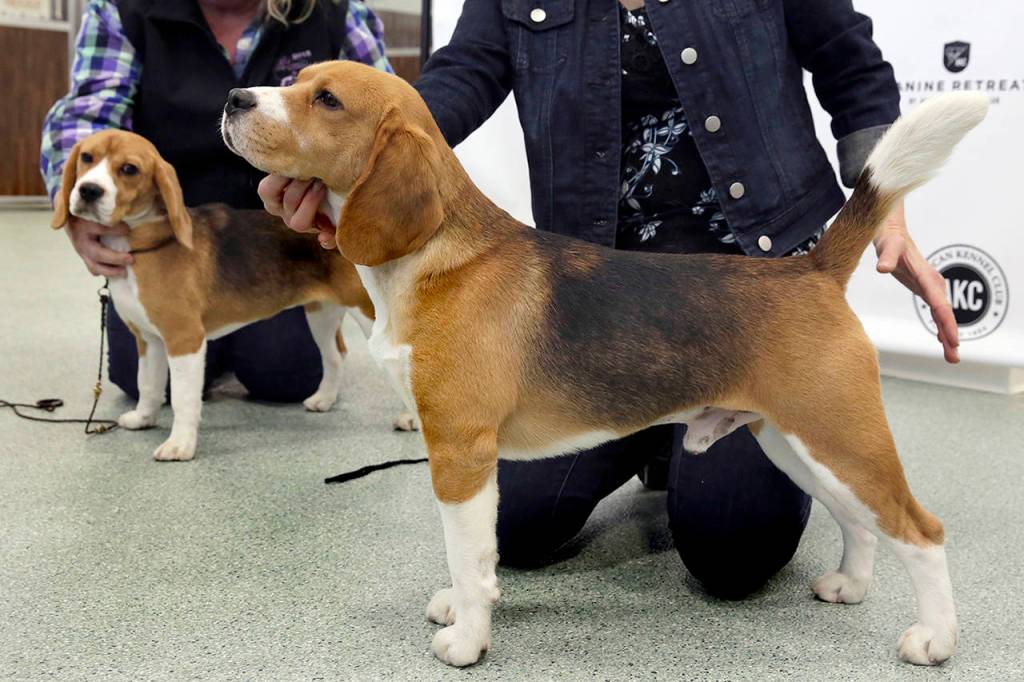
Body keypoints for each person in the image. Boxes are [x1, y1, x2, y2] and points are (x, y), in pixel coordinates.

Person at [259, 0, 960, 598]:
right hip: (592, 308)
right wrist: (343, 157)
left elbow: (848, 60)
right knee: (516, 526)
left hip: (757, 289)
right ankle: (653, 437)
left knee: (731, 546)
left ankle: (685, 445)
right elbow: (458, 79)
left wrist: (885, 208)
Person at [40, 0, 391, 403]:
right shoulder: (120, 10)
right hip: (168, 234)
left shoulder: (337, 12)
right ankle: (214, 344)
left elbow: (387, 116)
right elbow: (87, 119)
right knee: (144, 376)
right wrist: (77, 202)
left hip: (286, 238)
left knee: (285, 374)